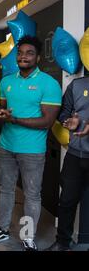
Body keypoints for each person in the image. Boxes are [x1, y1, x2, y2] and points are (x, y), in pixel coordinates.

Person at [0, 35, 62, 251]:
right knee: (6, 190)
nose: (23, 57)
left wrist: (14, 119)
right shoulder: (7, 81)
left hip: (32, 151)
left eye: (29, 53)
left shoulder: (49, 83)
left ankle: (28, 237)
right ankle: (2, 229)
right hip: (6, 147)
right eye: (20, 53)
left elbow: (47, 121)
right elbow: (2, 111)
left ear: (38, 57)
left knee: (31, 195)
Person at [44, 77, 89, 251]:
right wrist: (69, 121)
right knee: (67, 201)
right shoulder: (77, 85)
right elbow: (63, 113)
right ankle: (62, 242)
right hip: (75, 155)